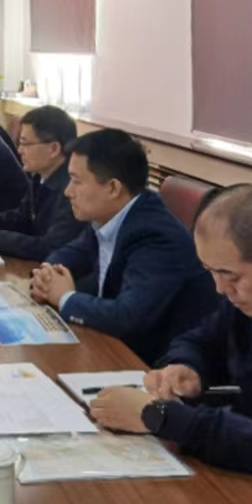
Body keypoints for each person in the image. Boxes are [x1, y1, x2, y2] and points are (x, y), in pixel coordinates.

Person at [90, 185, 252, 501]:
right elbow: (200, 339)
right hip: (248, 475)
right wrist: (186, 366)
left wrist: (161, 417)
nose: (219, 288)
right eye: (210, 271)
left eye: (230, 275)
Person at [30, 128, 217, 365]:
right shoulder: (109, 215)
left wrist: (65, 297)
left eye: (76, 181)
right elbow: (74, 251)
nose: (68, 191)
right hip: (111, 344)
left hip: (155, 364)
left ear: (113, 188)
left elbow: (128, 316)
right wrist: (47, 274)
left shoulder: (156, 236)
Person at [0, 106, 84, 261]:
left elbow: (49, 247)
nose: (19, 151)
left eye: (25, 144)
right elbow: (22, 217)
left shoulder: (74, 190)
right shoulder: (38, 176)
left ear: (53, 149)